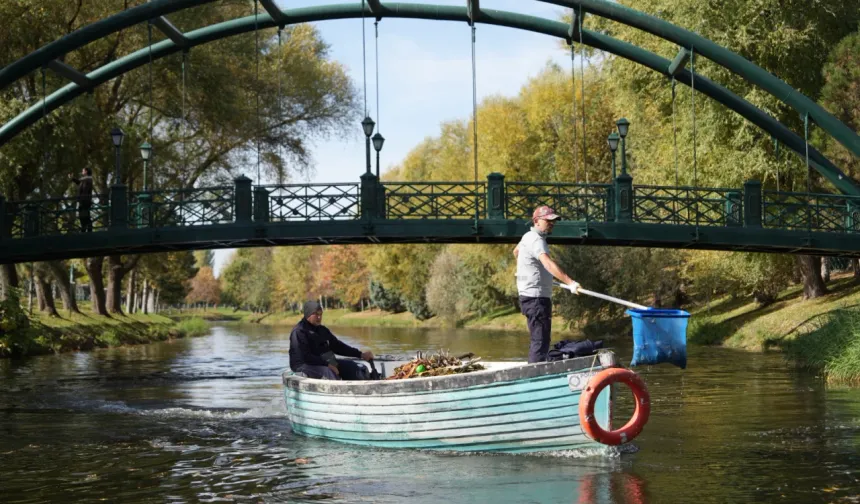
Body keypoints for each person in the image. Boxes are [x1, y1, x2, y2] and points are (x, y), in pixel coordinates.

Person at [513, 205, 580, 363]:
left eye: (553, 221)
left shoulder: (527, 236)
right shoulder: (537, 240)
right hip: (537, 299)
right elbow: (548, 264)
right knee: (540, 342)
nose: (552, 223)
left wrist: (526, 272)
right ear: (536, 221)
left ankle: (535, 371)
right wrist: (571, 283)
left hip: (529, 297)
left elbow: (516, 252)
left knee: (539, 340)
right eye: (548, 220)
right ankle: (535, 376)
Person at [288, 300, 375, 380]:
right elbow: (306, 357)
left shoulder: (322, 329)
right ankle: (339, 393)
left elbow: (337, 346)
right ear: (308, 314)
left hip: (324, 362)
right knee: (329, 372)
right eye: (316, 314)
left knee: (351, 366)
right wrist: (328, 365)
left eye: (321, 314)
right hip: (303, 365)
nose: (319, 317)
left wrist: (360, 354)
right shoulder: (299, 331)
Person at [68, 168, 93, 232]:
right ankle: (85, 230)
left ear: (86, 171)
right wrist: (72, 178)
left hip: (84, 201)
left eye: (83, 170)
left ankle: (87, 231)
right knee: (84, 216)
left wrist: (81, 199)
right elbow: (79, 182)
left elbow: (85, 190)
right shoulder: (86, 179)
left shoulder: (88, 180)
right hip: (84, 201)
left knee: (85, 216)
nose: (82, 171)